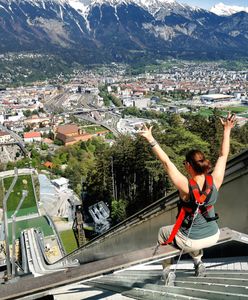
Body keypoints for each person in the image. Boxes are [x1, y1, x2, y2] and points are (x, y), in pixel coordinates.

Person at [138, 112, 236, 285]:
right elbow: (223, 155)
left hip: (192, 240)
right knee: (191, 234)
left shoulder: (186, 186)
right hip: (214, 234)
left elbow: (167, 162)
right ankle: (199, 264)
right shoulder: (216, 180)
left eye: (184, 164)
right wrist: (227, 129)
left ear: (189, 166)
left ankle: (167, 273)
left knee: (163, 233)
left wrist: (150, 139)